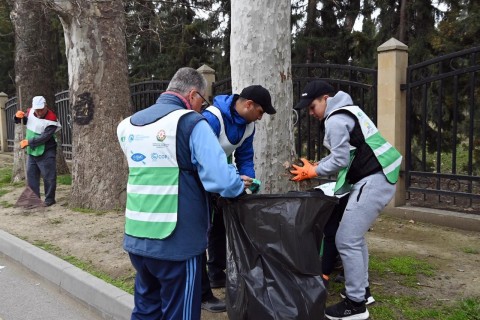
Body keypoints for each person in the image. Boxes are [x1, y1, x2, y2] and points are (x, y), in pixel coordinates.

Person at [116, 67, 247, 320]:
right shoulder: (190, 123)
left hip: (137, 237)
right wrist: (239, 185)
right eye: (203, 101)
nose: (203, 108)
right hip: (176, 242)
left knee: (146, 310)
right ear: (194, 94)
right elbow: (221, 179)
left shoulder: (127, 125)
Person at [290, 80, 402, 320]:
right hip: (380, 175)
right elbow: (350, 153)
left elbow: (340, 160)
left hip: (374, 179)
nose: (311, 113)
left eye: (312, 107)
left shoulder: (335, 119)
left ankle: (355, 305)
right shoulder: (350, 111)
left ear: (326, 99)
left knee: (346, 239)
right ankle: (362, 293)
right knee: (354, 239)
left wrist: (313, 171)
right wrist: (319, 165)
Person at [199, 85, 276, 312]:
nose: (261, 118)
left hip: (222, 177)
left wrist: (248, 182)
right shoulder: (212, 119)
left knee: (220, 225)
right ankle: (203, 290)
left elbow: (245, 157)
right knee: (203, 229)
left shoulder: (248, 126)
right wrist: (229, 179)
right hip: (201, 178)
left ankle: (216, 273)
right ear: (248, 104)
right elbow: (203, 156)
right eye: (261, 112)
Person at [14, 96, 62, 206]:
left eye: (41, 109)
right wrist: (18, 117)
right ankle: (33, 200)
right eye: (37, 110)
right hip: (32, 150)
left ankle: (49, 199)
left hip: (47, 150)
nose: (39, 112)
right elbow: (24, 120)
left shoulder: (52, 119)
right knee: (31, 175)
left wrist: (28, 142)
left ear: (46, 106)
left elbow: (45, 137)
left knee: (48, 176)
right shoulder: (30, 112)